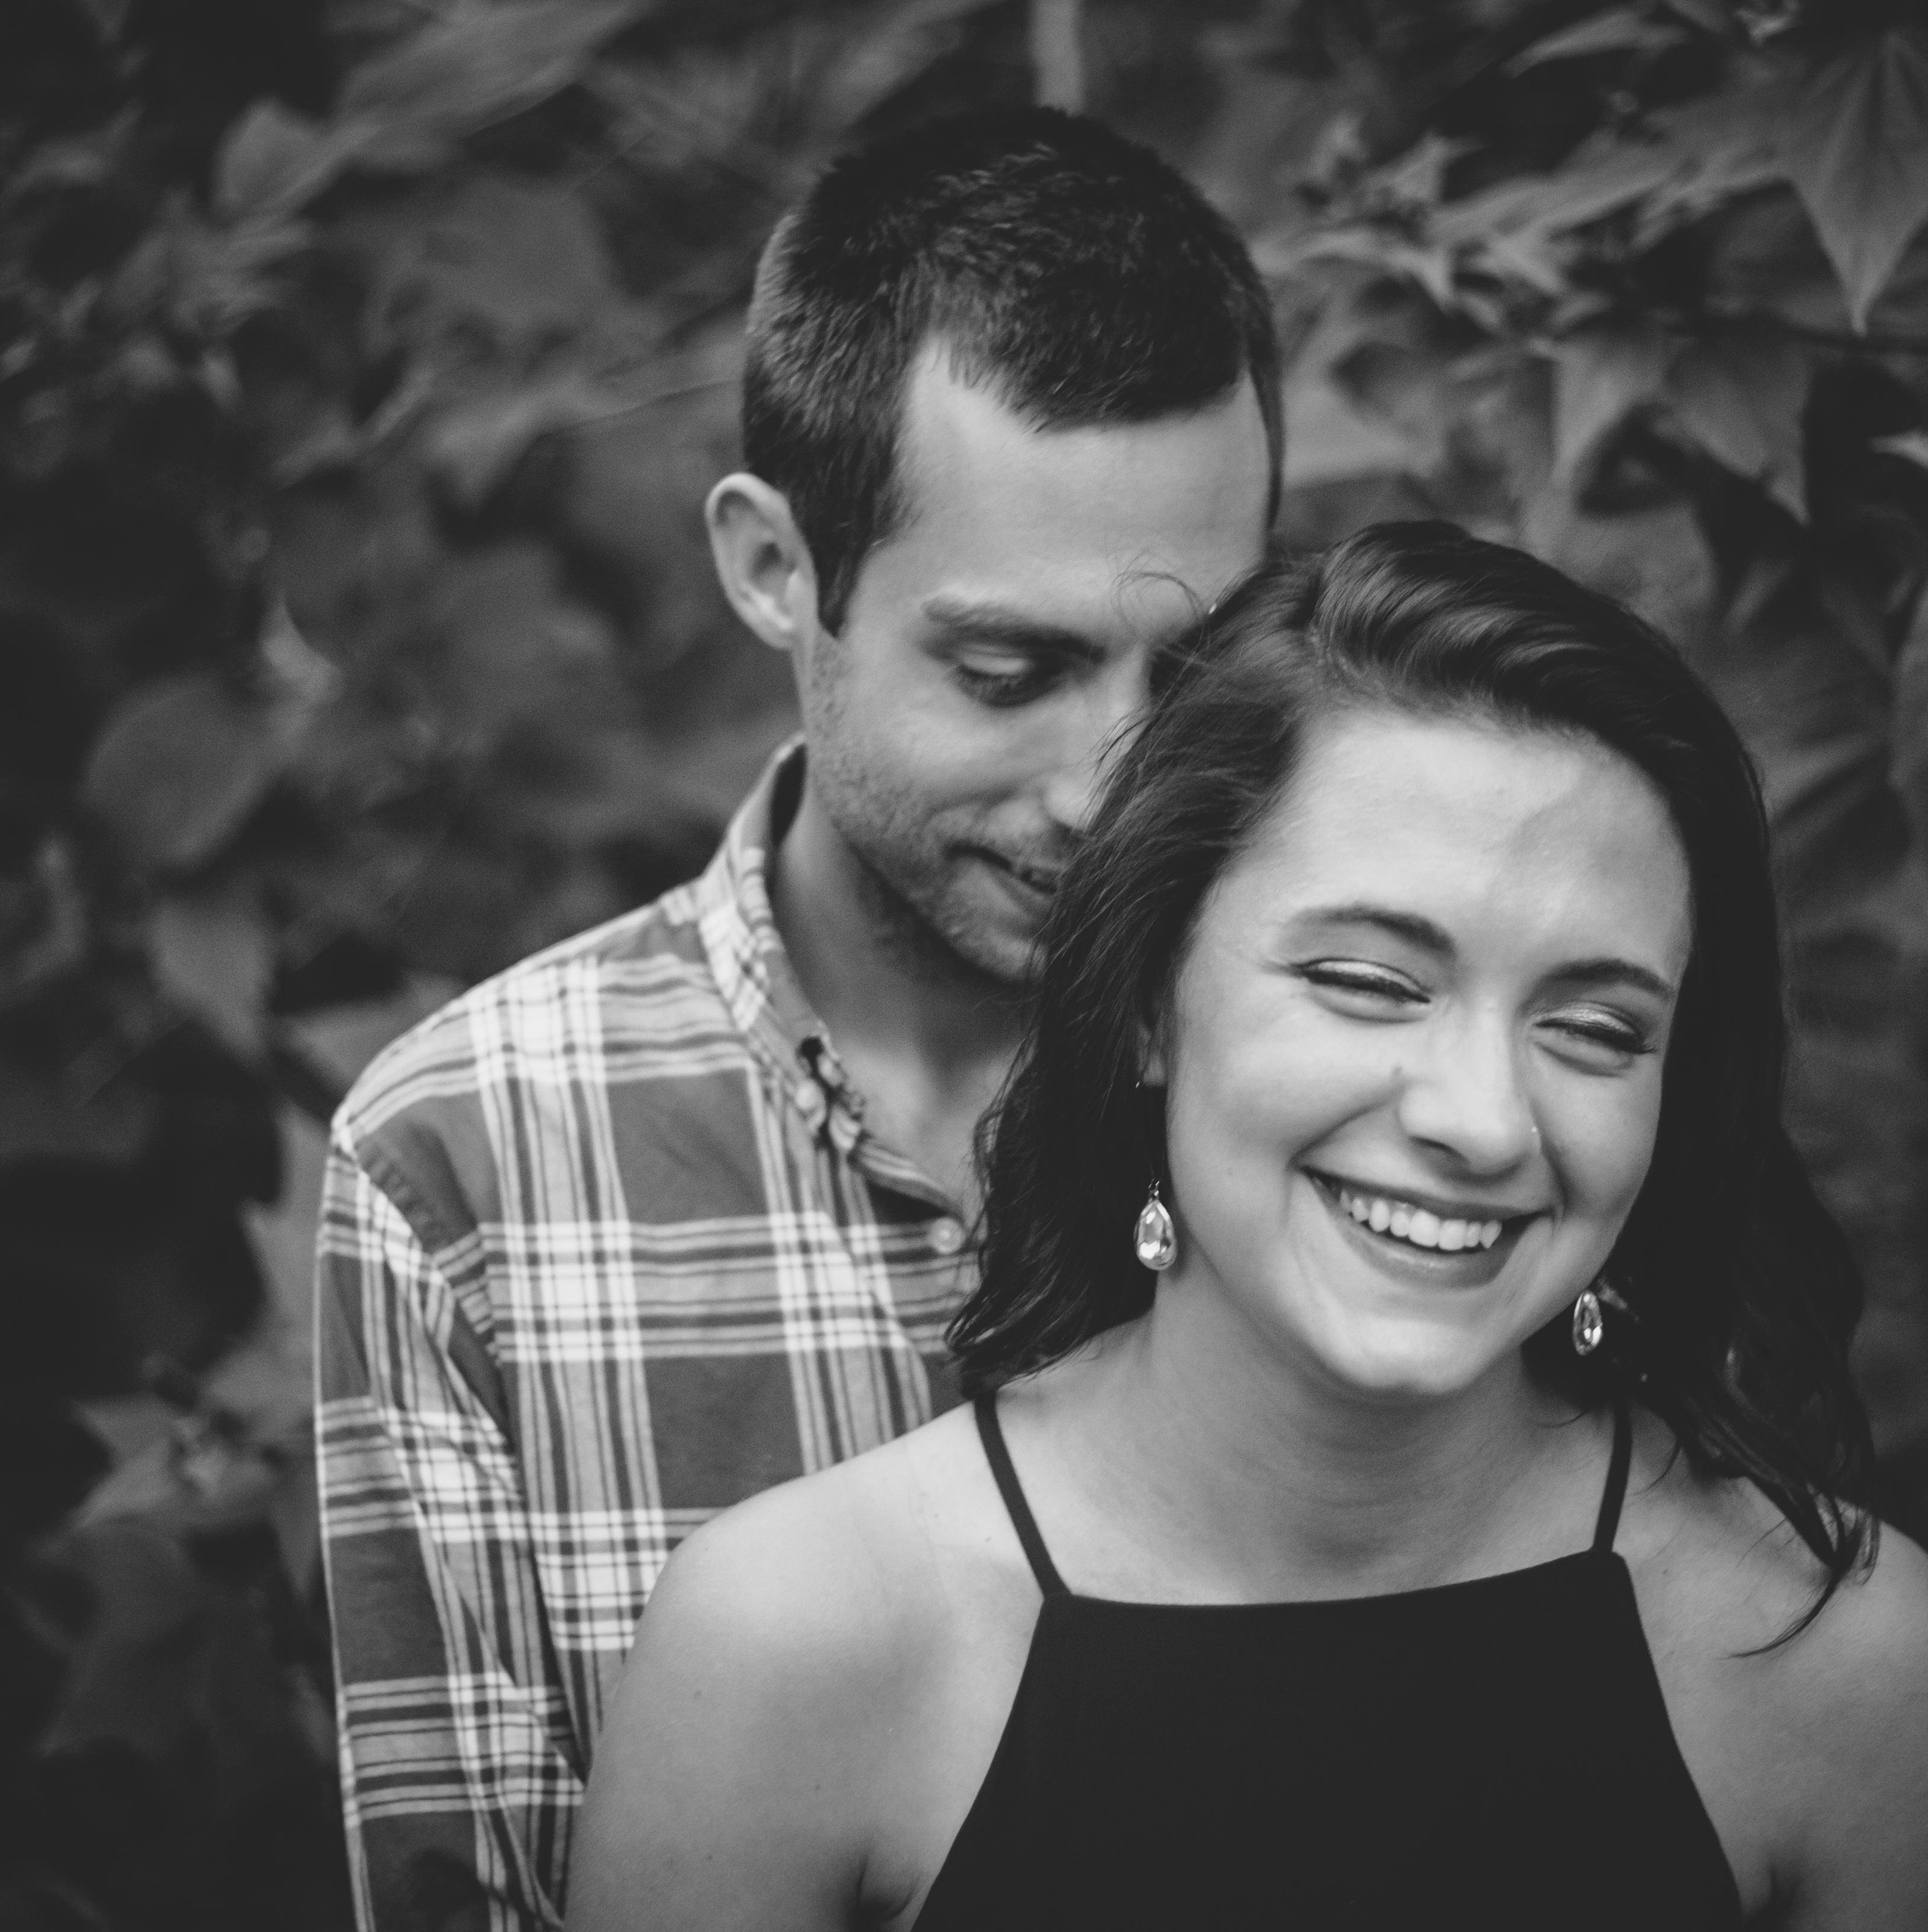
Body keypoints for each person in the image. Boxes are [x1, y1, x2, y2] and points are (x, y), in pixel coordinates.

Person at [567, 524, 1928, 1930]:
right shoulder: (793, 1650)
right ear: (1147, 1001)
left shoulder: (1838, 1666)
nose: (1484, 1122)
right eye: (1370, 983)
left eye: (1594, 1027)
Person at [311, 109, 1280, 1932]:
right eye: (1009, 670)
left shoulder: (1340, 1076)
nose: (1115, 786)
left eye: (1200, 666)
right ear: (774, 568)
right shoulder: (469, 1166)